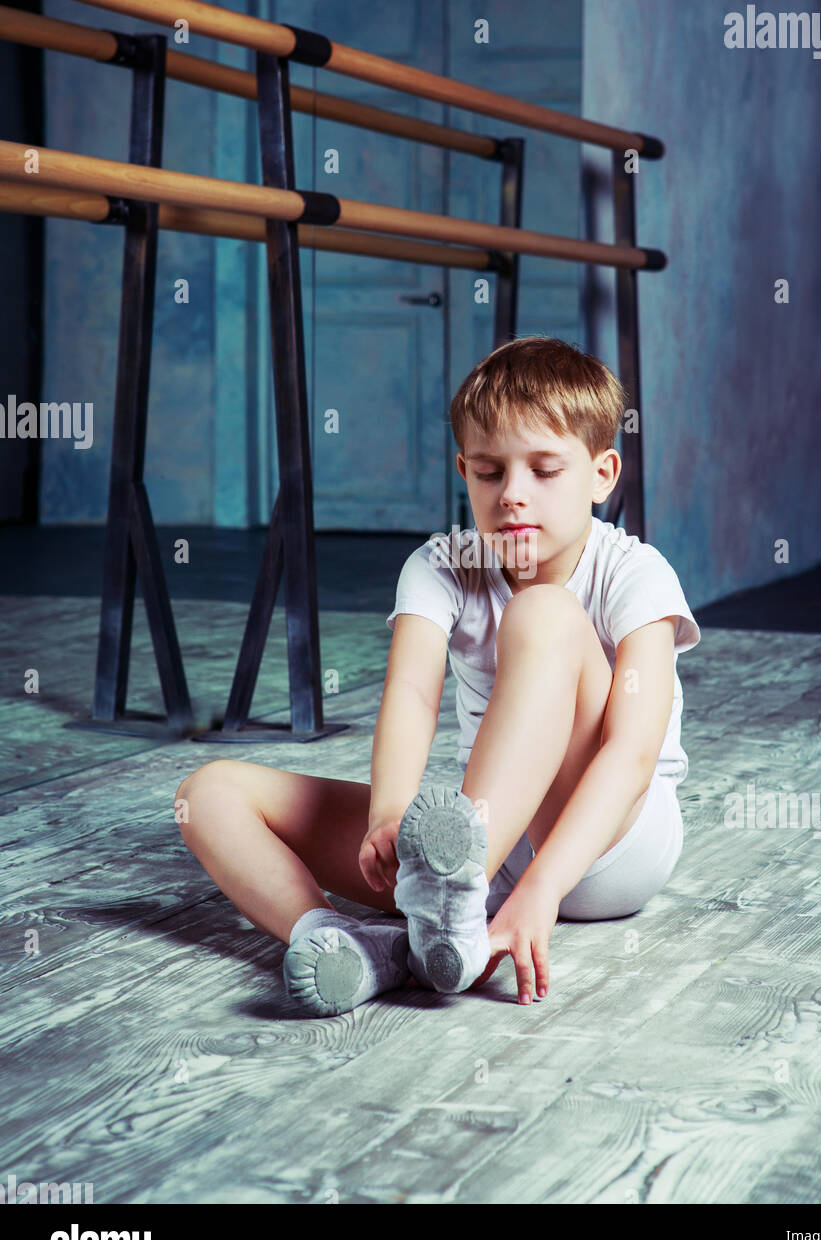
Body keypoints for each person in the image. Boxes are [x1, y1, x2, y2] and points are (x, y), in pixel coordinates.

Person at [175, 335, 700, 1017]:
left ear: (602, 474)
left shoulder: (634, 573)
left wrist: (539, 889)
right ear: (463, 470)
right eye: (488, 472)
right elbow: (412, 696)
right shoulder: (439, 564)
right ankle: (349, 943)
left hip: (609, 847)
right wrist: (388, 819)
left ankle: (449, 901)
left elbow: (631, 755)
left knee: (543, 613)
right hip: (478, 849)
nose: (512, 495)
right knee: (209, 793)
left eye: (544, 470)